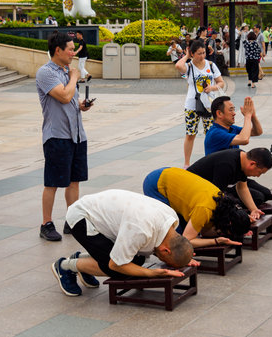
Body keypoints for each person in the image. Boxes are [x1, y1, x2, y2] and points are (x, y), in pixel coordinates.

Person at [51, 190, 195, 296]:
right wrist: (151, 273)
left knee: (136, 260)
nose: (164, 262)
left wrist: (183, 256)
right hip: (82, 217)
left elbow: (179, 246)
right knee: (115, 269)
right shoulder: (141, 230)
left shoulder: (171, 217)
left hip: (102, 214)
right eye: (166, 260)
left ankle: (85, 260)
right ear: (166, 251)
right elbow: (115, 264)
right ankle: (65, 266)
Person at [35, 32, 93, 241]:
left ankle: (72, 220)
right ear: (57, 50)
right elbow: (64, 95)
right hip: (56, 136)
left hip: (77, 135)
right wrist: (75, 77)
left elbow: (71, 100)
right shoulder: (45, 73)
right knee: (52, 182)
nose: (73, 52)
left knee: (74, 181)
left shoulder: (66, 71)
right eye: (70, 49)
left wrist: (82, 106)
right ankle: (46, 224)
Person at [143, 167, 251, 247]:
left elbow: (204, 230)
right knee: (176, 237)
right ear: (230, 223)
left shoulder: (224, 204)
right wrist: (217, 241)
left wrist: (242, 222)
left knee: (185, 228)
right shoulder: (204, 209)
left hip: (171, 175)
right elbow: (187, 240)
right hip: (156, 184)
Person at [175, 40, 224, 169]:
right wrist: (186, 56)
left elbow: (221, 82)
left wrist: (212, 88)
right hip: (192, 105)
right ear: (192, 53)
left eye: (204, 53)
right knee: (190, 134)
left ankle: (211, 160)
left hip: (209, 105)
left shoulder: (211, 65)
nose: (202, 56)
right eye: (199, 53)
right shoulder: (189, 66)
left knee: (210, 134)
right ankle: (186, 163)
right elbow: (178, 66)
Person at [188, 147, 272, 212]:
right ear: (252, 164)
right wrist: (236, 213)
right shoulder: (227, 165)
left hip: (211, 188)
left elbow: (242, 188)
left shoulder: (243, 159)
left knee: (261, 195)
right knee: (234, 203)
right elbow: (216, 196)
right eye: (259, 172)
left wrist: (254, 210)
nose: (258, 176)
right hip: (192, 189)